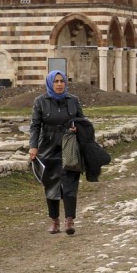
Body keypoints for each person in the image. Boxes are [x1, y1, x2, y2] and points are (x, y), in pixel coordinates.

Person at [28, 70, 86, 235]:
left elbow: (83, 121)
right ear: (50, 83)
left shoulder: (73, 101)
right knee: (51, 184)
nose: (59, 84)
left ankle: (69, 220)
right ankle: (54, 220)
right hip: (48, 146)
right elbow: (35, 126)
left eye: (62, 81)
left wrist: (78, 129)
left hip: (70, 145)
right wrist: (33, 146)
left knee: (70, 183)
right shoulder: (40, 102)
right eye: (56, 81)